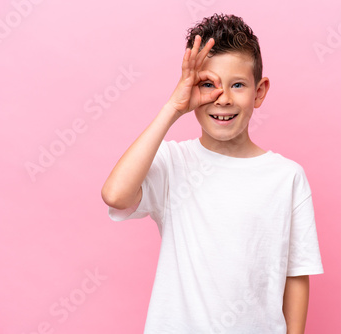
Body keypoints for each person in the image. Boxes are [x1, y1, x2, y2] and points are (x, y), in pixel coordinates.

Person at [101, 13, 323, 334]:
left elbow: (296, 274)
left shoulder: (286, 178)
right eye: (208, 84)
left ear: (259, 92)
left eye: (238, 85)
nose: (224, 98)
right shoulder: (173, 162)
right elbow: (116, 195)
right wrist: (173, 108)